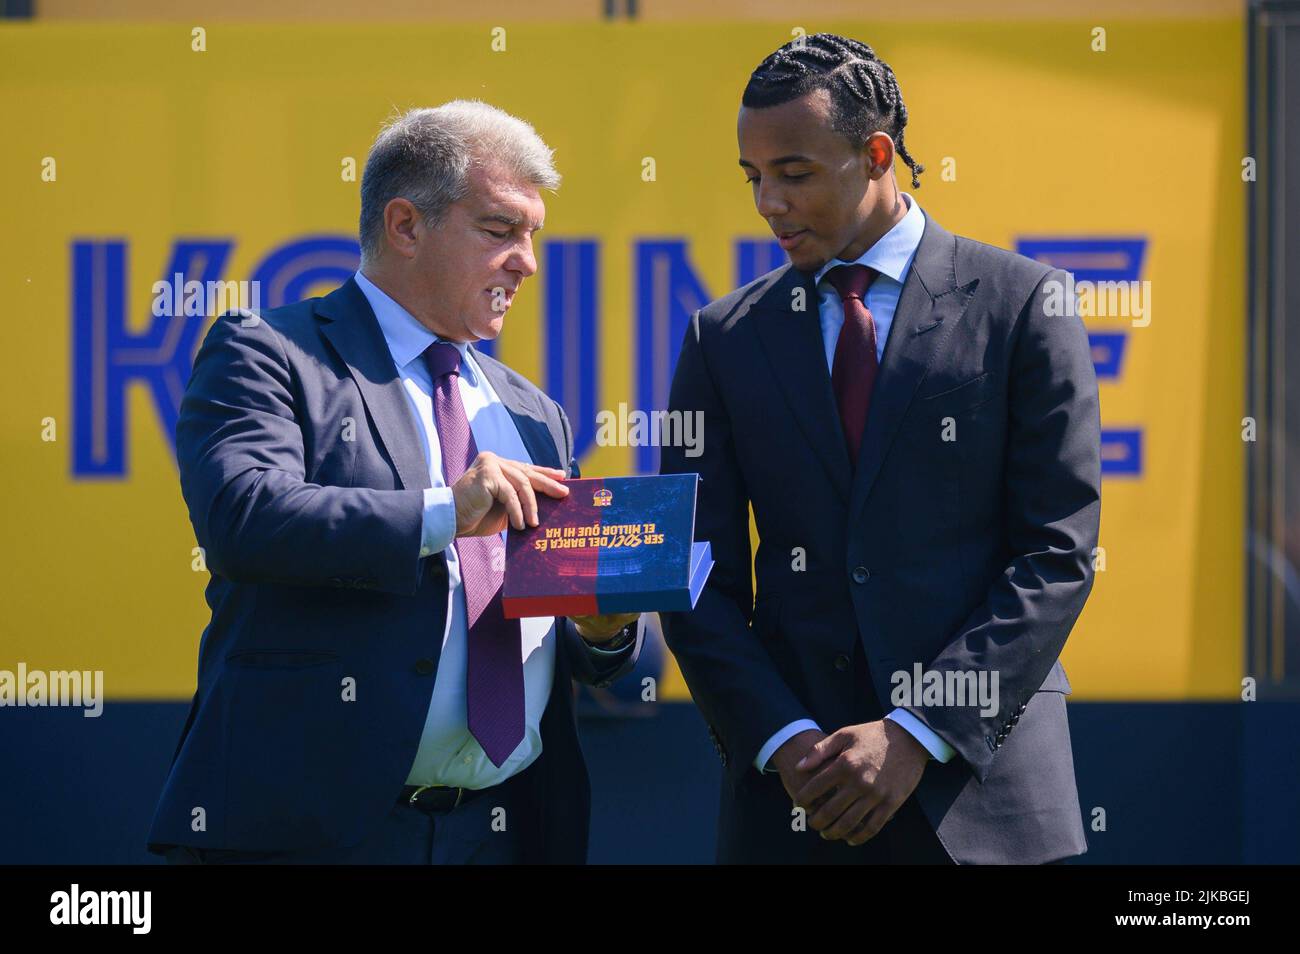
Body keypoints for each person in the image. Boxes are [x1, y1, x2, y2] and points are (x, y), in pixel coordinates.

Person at [147, 101, 642, 865]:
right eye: (500, 230)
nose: (527, 261)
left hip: (508, 830)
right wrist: (448, 512)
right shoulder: (270, 350)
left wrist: (602, 631)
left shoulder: (535, 413)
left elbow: (560, 641)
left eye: (533, 235)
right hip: (313, 834)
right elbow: (243, 515)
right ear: (405, 225)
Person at [660, 34, 1100, 864]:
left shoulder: (1023, 305)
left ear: (875, 154)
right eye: (753, 178)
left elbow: (1057, 552)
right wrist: (782, 739)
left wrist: (918, 731)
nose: (769, 204)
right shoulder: (723, 338)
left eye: (794, 173)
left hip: (991, 800)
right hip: (797, 803)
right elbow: (695, 571)